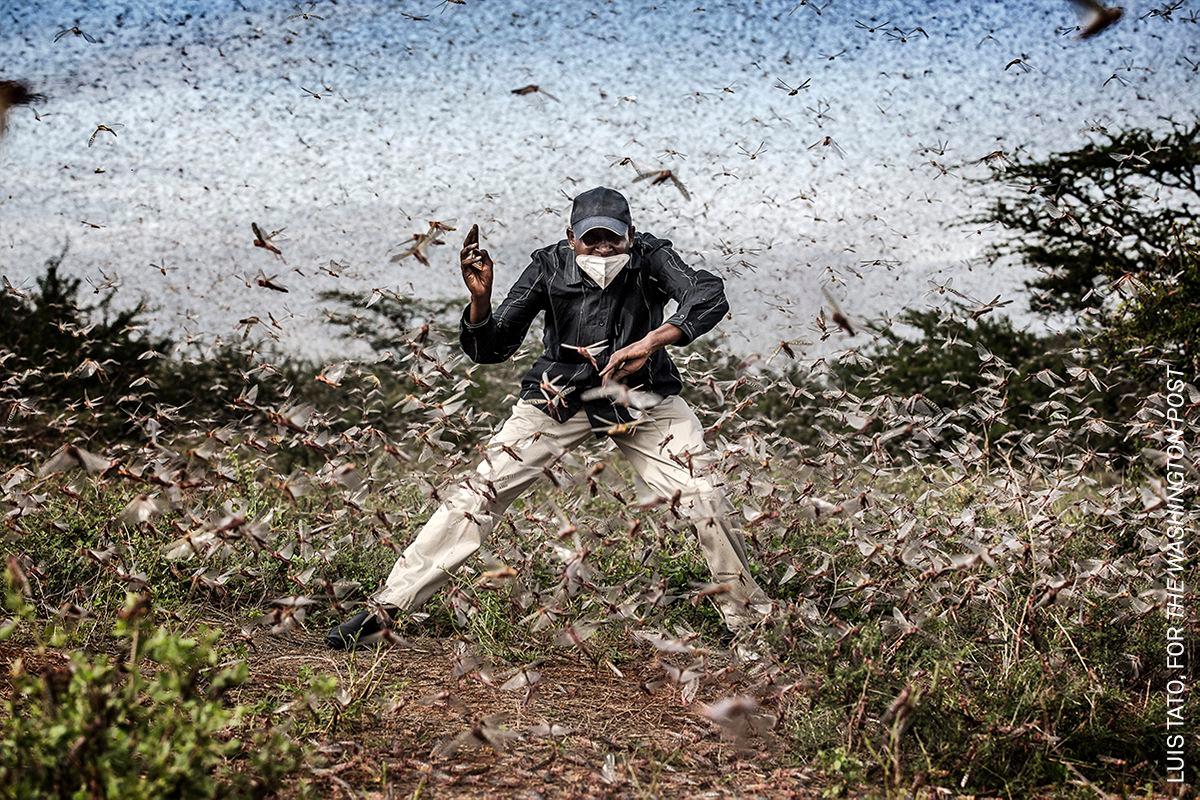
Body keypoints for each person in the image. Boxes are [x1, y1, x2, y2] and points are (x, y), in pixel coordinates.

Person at [325, 186, 773, 650]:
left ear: (631, 234)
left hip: (643, 395)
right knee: (478, 494)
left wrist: (650, 342)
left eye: (613, 239)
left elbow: (707, 293)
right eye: (591, 240)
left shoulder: (652, 256)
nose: (603, 249)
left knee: (704, 494)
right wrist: (480, 301)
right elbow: (492, 347)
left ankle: (750, 625)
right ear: (571, 238)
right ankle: (387, 609)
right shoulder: (548, 266)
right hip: (559, 396)